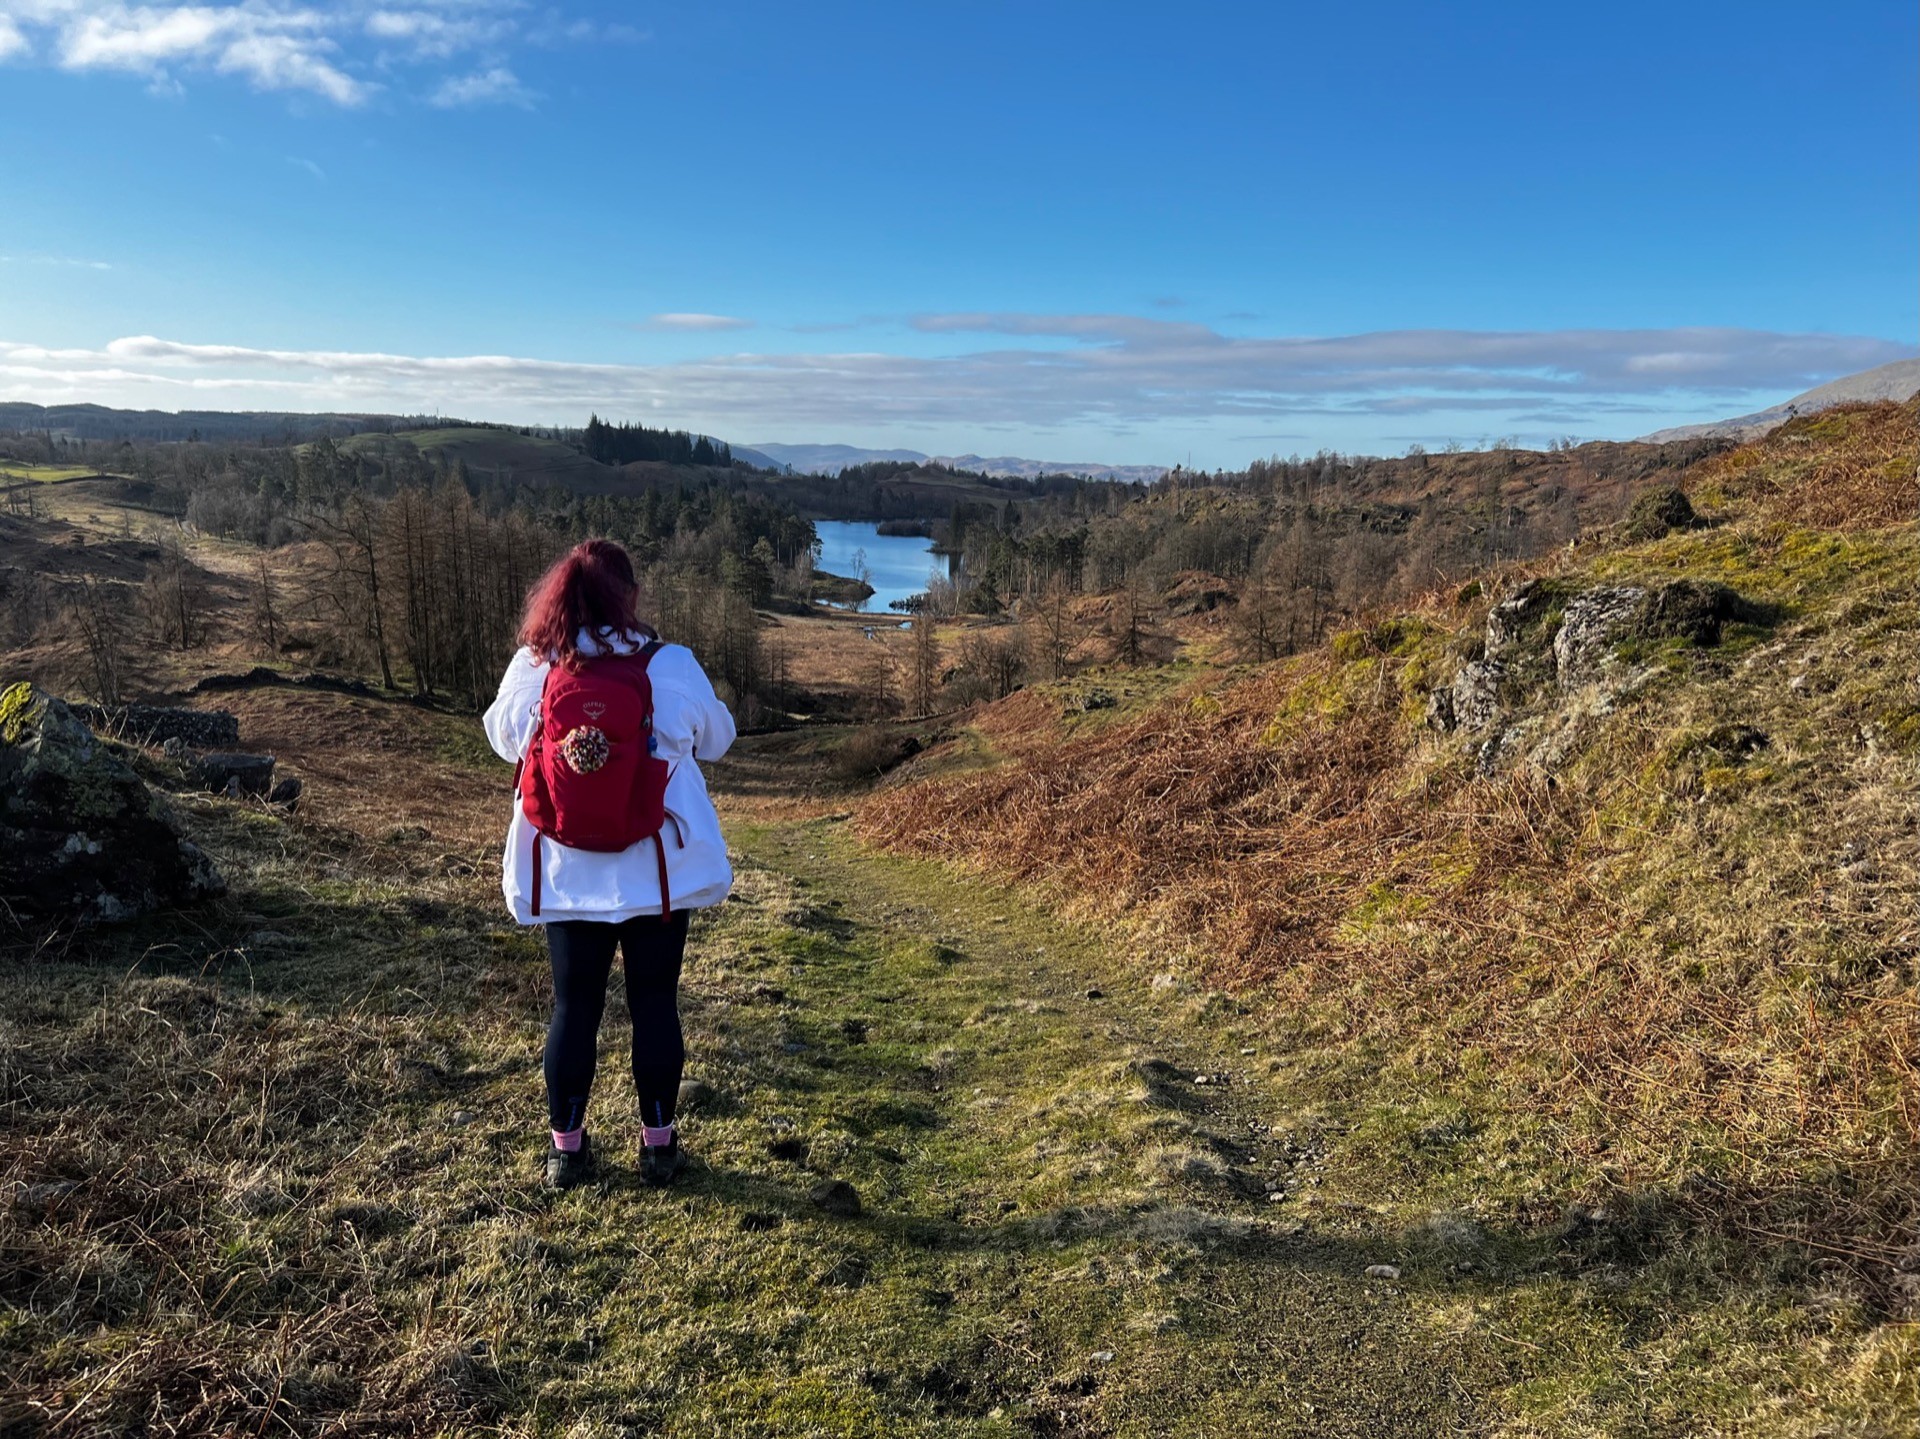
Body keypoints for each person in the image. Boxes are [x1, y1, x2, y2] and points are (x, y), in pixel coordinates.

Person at [483, 539, 736, 1190]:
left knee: (574, 1007)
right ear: (631, 597)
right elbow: (720, 738)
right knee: (655, 1003)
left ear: (559, 597)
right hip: (655, 870)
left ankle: (566, 1151)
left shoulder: (534, 666)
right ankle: (658, 1147)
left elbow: (501, 734)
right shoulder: (669, 664)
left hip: (568, 870)